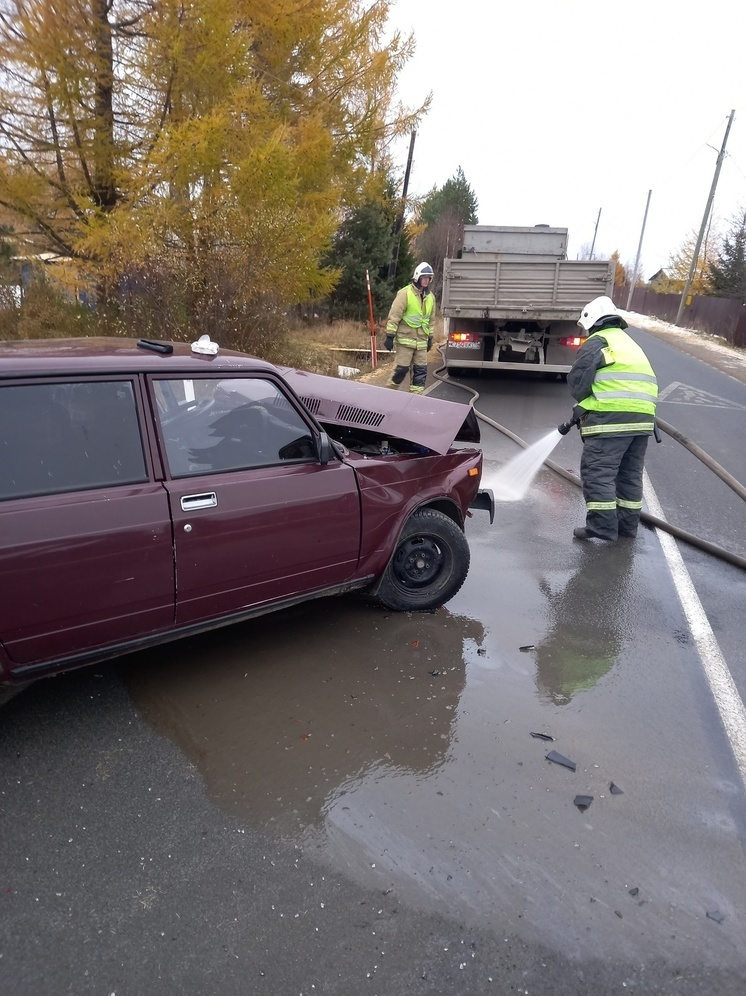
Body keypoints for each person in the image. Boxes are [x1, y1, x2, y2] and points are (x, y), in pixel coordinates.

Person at [567, 295, 658, 542]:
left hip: (611, 420)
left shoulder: (598, 342)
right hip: (643, 420)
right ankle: (627, 527)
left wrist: (586, 403)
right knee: (629, 475)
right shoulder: (630, 343)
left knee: (598, 472)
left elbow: (578, 384)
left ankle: (602, 527)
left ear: (593, 322)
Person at [384, 262, 435, 393]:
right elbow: (394, 316)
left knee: (420, 373)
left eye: (428, 278)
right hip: (406, 340)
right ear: (417, 277)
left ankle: (415, 399)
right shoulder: (405, 293)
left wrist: (430, 338)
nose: (426, 280)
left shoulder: (430, 298)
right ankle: (387, 395)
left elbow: (431, 320)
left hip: (422, 342)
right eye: (424, 277)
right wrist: (390, 336)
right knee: (400, 371)